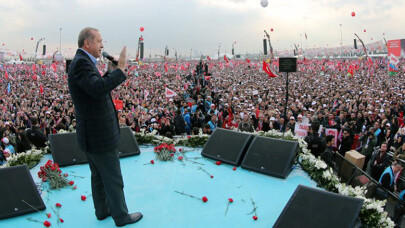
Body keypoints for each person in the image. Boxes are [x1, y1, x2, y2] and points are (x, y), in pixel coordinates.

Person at [68, 27, 142, 226]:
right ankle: (121, 216)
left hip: (92, 133)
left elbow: (96, 85)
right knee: (112, 176)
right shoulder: (82, 64)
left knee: (99, 176)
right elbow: (98, 88)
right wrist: (120, 70)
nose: (102, 46)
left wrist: (110, 70)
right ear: (88, 43)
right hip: (98, 134)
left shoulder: (82, 62)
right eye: (100, 41)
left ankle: (102, 210)